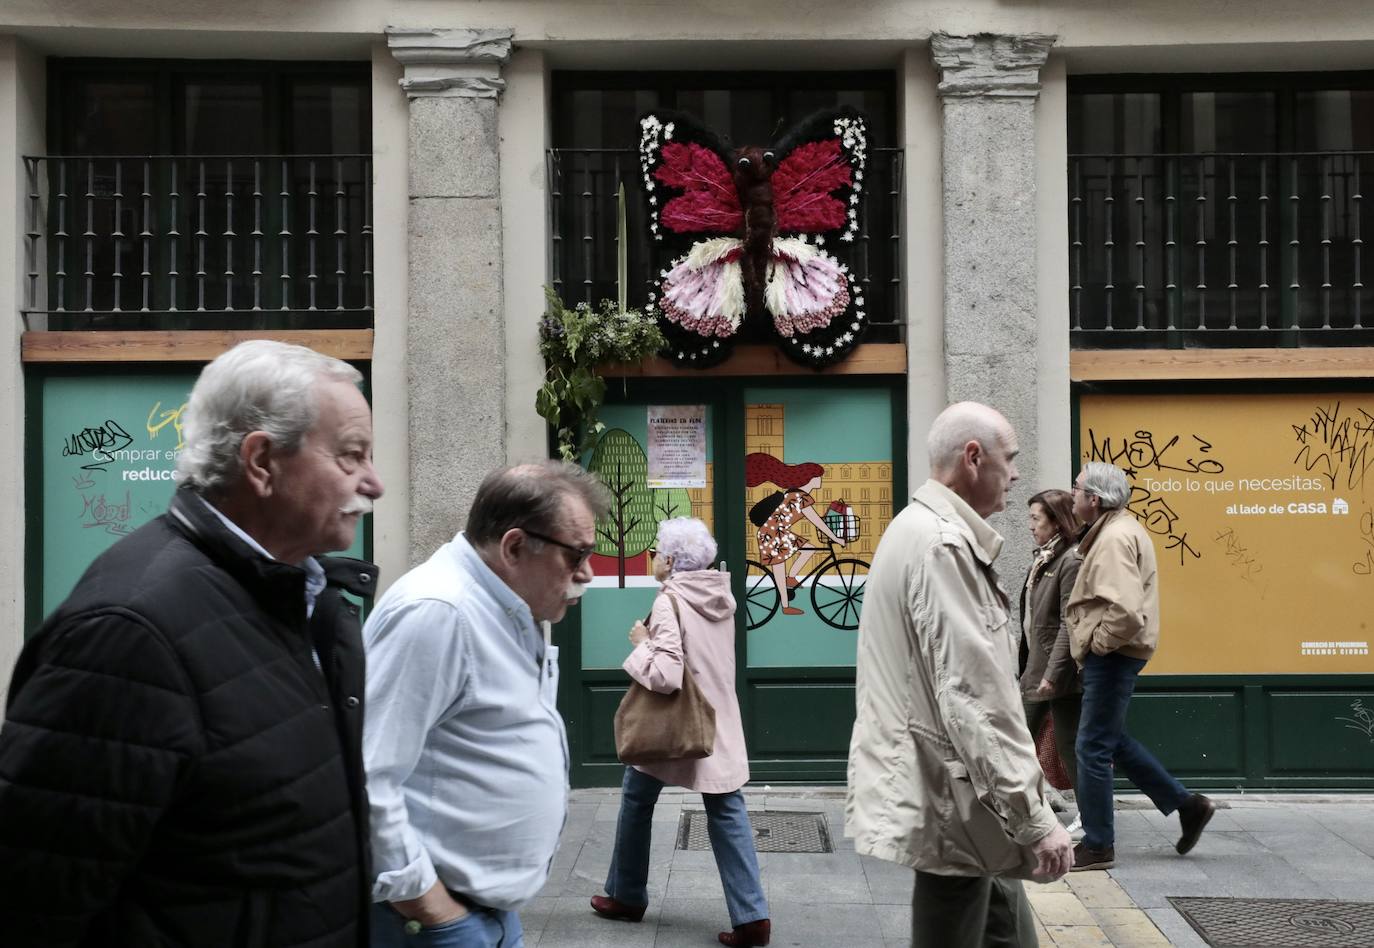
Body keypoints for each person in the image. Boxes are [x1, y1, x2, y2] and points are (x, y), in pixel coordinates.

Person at [0, 340, 385, 948]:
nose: (374, 482)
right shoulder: (128, 635)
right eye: (350, 456)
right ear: (261, 462)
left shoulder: (307, 600)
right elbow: (35, 904)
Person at [847, 402, 1073, 948]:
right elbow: (973, 697)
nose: (1016, 474)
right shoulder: (942, 545)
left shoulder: (919, 530)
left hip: (966, 795)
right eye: (1010, 458)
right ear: (973, 457)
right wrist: (1032, 815)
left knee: (1005, 928)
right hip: (956, 796)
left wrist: (1027, 798)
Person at [363, 461, 609, 948]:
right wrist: (430, 907)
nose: (588, 573)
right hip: (432, 921)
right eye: (576, 555)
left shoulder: (507, 605)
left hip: (481, 914)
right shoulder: (439, 611)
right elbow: (367, 775)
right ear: (515, 547)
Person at [589, 517, 771, 948]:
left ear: (670, 561)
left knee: (638, 799)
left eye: (657, 550)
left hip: (676, 720)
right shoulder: (718, 594)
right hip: (715, 717)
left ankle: (628, 896)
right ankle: (752, 918)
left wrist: (640, 643)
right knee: (723, 810)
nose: (653, 556)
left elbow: (668, 675)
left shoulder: (671, 600)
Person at [1066, 462, 1215, 872]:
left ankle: (1097, 844)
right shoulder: (1115, 531)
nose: (1073, 494)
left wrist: (1097, 644)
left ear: (1093, 500)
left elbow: (1127, 612)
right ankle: (1187, 805)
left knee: (1092, 747)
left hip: (1113, 655)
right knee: (1109, 740)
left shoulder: (1113, 539)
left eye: (1077, 489)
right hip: (1119, 653)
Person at [1018, 489, 1084, 830]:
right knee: (1027, 738)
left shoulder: (1069, 561)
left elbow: (1067, 624)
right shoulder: (1045, 557)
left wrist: (1054, 673)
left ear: (1056, 522)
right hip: (1039, 666)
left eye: (1035, 519)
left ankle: (1088, 814)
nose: (1030, 525)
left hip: (1053, 672)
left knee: (1063, 742)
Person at [744, 452, 846, 616]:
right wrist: (835, 538)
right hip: (771, 534)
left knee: (809, 549)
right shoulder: (799, 497)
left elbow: (816, 520)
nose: (820, 480)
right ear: (810, 479)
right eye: (819, 476)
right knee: (779, 567)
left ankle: (790, 578)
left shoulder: (796, 494)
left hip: (779, 532)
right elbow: (816, 521)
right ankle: (785, 605)